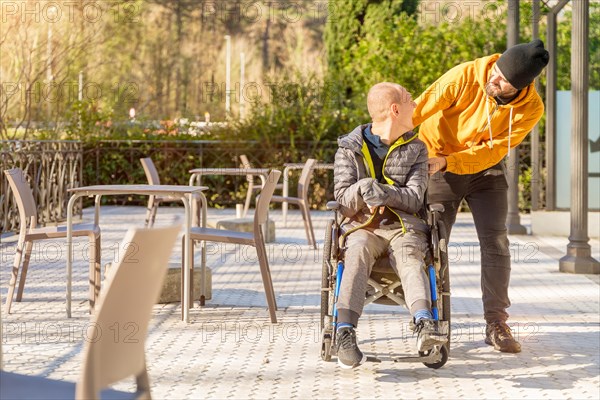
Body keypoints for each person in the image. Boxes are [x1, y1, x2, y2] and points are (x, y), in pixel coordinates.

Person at [412, 39, 550, 353]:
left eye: (503, 80)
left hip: (484, 170)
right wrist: (380, 141)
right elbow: (418, 110)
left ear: (520, 87)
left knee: (497, 242)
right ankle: (430, 319)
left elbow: (494, 150)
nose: (494, 79)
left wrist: (454, 161)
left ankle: (496, 323)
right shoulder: (464, 75)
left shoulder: (531, 108)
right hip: (438, 163)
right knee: (432, 242)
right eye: (496, 71)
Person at [333, 82, 446, 369]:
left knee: (410, 258)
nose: (416, 105)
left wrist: (381, 193)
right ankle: (344, 332)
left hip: (405, 228)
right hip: (362, 228)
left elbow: (414, 198)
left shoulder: (417, 149)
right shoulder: (349, 148)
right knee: (356, 253)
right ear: (396, 109)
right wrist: (364, 188)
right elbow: (343, 201)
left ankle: (425, 325)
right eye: (410, 100)